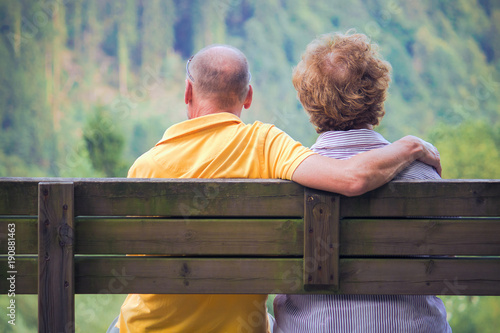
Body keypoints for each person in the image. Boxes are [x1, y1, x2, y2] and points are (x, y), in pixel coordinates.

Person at [108, 44, 441, 333]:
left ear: (187, 92)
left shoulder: (144, 168)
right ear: (248, 97)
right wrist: (410, 147)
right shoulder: (264, 145)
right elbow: (350, 178)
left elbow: (140, 270)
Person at [272, 32, 451, 333]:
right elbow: (447, 262)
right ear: (377, 93)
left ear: (308, 100)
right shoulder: (424, 175)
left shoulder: (286, 180)